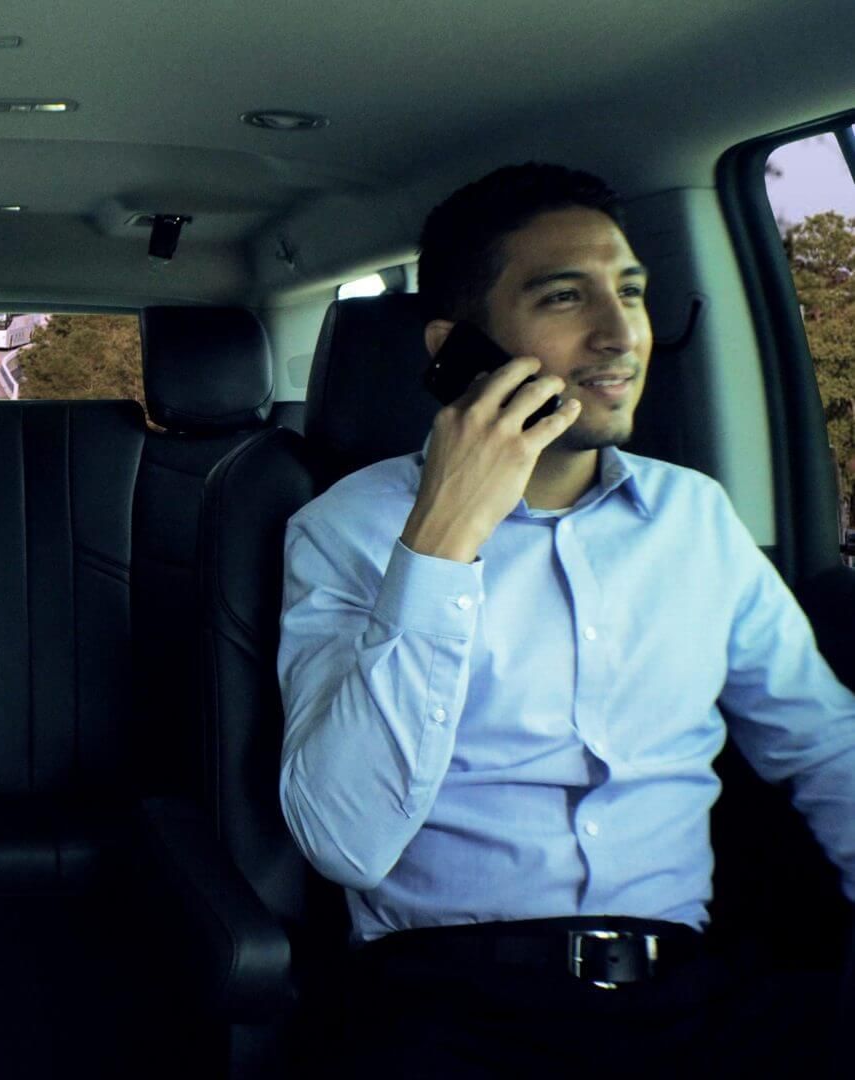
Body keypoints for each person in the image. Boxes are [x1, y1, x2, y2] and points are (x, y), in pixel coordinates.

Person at [277, 163, 854, 1075]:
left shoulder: (694, 517)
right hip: (447, 998)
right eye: (562, 297)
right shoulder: (344, 529)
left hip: (694, 995)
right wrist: (442, 536)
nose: (620, 334)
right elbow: (342, 841)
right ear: (453, 346)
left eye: (630, 292)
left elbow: (823, 744)